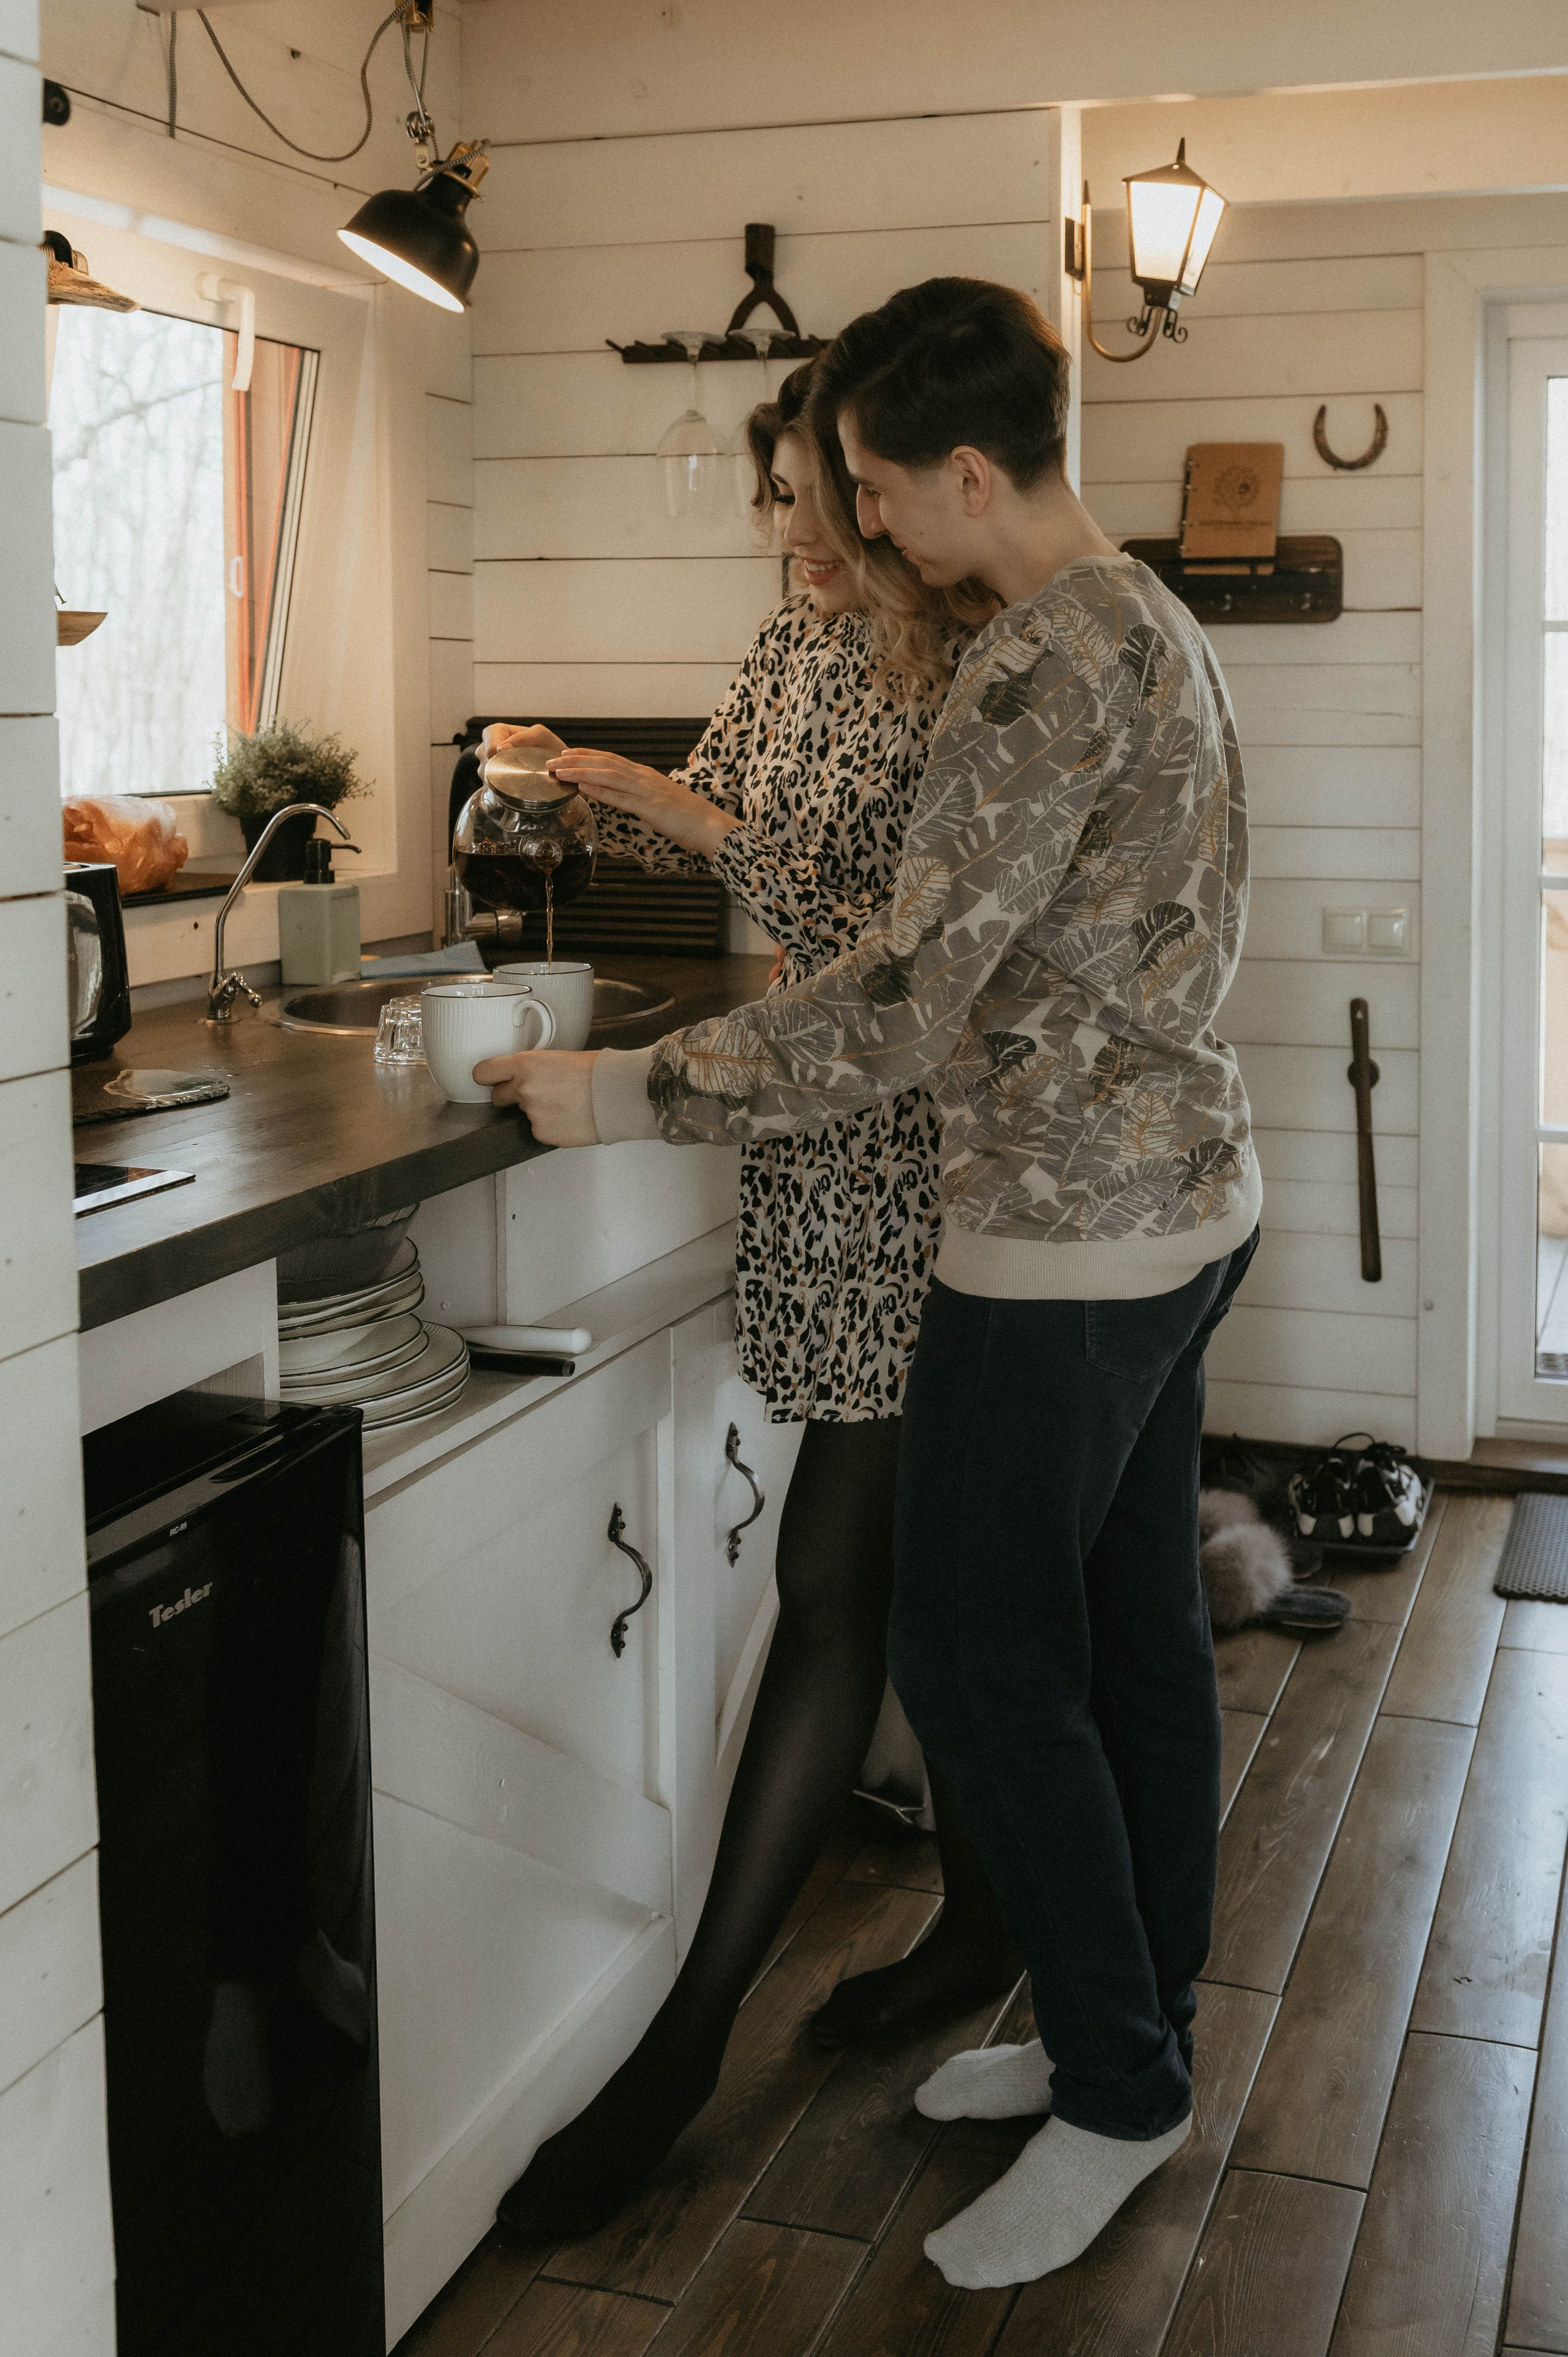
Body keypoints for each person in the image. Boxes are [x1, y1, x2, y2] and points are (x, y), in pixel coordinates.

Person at [481, 277, 1262, 2290]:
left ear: (969, 471)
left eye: (878, 491)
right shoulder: (1148, 619)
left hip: (1064, 1238)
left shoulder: (1025, 671)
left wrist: (628, 1084)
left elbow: (907, 1008)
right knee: (1130, 1644)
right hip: (1177, 1199)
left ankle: (1115, 2085)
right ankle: (1135, 2029)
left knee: (981, 1654)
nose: (863, 528)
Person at [487, 364, 1019, 2241]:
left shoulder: (970, 658)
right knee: (910, 1578)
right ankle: (984, 1918)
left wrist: (678, 817)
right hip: (802, 1137)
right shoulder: (788, 644)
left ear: (885, 494)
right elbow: (732, 817)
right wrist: (592, 791)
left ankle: (686, 2044)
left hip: (911, 1146)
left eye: (812, 497)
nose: (790, 532)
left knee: (838, 1586)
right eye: (776, 498)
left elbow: (896, 931)